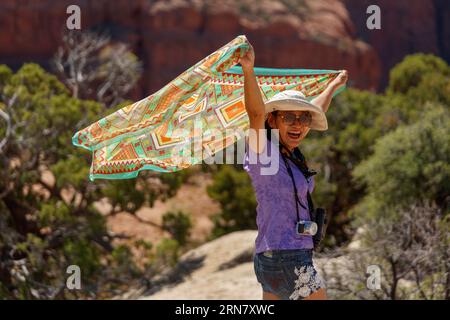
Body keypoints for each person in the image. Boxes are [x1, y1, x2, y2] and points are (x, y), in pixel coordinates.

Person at [239, 43, 348, 300]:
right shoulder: (262, 152)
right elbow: (255, 113)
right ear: (273, 120)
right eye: (289, 117)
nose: (298, 124)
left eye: (303, 118)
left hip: (270, 257)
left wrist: (333, 85)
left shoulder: (290, 153)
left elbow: (318, 109)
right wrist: (248, 70)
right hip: (287, 256)